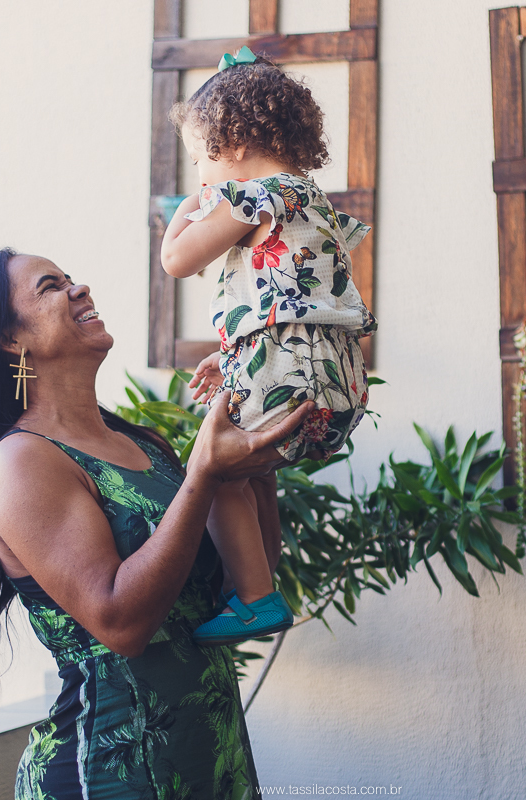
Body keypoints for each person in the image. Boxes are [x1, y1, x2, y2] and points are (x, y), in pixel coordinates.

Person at [0, 248, 311, 799]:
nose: (79, 289)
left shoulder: (143, 445)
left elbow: (241, 580)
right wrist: (203, 478)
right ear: (9, 340)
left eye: (71, 278)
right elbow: (120, 623)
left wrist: (258, 463)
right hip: (108, 773)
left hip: (214, 761)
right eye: (50, 286)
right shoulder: (24, 462)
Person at [160, 48, 376, 646]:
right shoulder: (308, 198)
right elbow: (287, 303)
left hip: (288, 378)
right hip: (330, 383)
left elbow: (178, 260)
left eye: (201, 160)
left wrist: (182, 212)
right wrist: (227, 356)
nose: (201, 176)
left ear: (231, 144)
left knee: (219, 472)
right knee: (254, 473)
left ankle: (254, 596)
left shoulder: (255, 194)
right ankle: (257, 576)